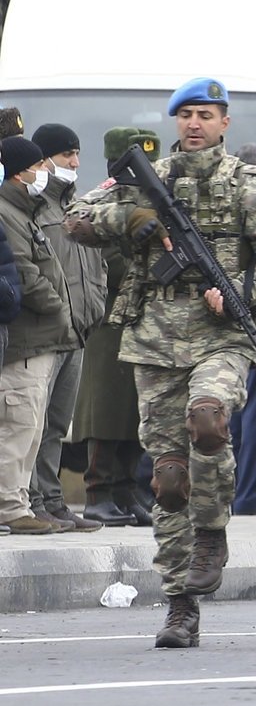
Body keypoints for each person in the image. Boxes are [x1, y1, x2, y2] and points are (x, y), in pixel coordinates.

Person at [67, 78, 256, 648]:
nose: (195, 124)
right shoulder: (147, 178)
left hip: (223, 333)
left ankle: (212, 532)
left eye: (207, 115)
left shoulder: (250, 184)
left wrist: (246, 289)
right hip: (154, 337)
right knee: (169, 476)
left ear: (225, 123)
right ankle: (179, 602)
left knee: (209, 420)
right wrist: (130, 220)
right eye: (186, 115)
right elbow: (75, 218)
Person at [74, 127, 161, 528]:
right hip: (110, 321)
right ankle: (98, 493)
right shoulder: (99, 204)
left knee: (133, 413)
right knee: (107, 411)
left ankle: (126, 491)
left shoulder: (153, 201)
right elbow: (109, 262)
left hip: (144, 322)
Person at [24, 123, 105, 531]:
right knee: (34, 424)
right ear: (43, 160)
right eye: (65, 156)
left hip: (78, 333)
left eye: (76, 155)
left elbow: (96, 264)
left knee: (57, 424)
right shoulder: (36, 208)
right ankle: (33, 501)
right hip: (47, 334)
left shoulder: (75, 208)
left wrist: (96, 308)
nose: (74, 163)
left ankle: (53, 500)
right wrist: (59, 313)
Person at [0, 134, 73, 535]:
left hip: (42, 338)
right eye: (38, 165)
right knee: (18, 422)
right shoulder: (7, 212)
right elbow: (25, 276)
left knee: (31, 425)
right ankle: (10, 506)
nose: (45, 171)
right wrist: (61, 307)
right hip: (26, 338)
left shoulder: (25, 210)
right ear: (19, 172)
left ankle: (20, 503)